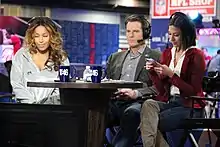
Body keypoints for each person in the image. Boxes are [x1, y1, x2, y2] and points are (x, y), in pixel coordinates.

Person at [140, 12, 206, 147]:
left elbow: (192, 91)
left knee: (151, 122)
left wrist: (171, 75)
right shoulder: (167, 54)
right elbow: (161, 90)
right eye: (170, 34)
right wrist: (153, 72)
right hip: (171, 102)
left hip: (190, 106)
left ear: (186, 35)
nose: (171, 39)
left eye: (176, 35)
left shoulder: (196, 55)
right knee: (148, 105)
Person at [106, 14, 160, 147]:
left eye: (135, 31)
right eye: (128, 31)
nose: (130, 35)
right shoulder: (115, 57)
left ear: (146, 33)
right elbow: (106, 81)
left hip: (139, 102)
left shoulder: (157, 56)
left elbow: (159, 88)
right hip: (114, 102)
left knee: (132, 113)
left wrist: (135, 93)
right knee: (93, 111)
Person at [10, 16, 69, 104]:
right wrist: (32, 105)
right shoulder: (22, 55)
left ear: (52, 36)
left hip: (51, 111)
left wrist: (45, 107)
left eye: (45, 36)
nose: (41, 40)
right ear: (32, 37)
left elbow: (61, 90)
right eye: (37, 36)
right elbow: (16, 84)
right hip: (24, 109)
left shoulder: (62, 59)